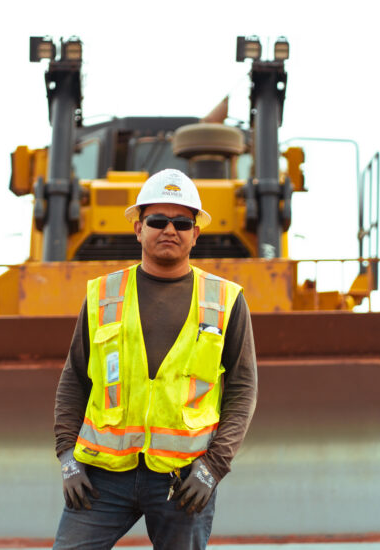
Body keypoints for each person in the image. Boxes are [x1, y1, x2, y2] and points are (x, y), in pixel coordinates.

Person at [52, 168, 258, 550]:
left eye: (182, 222)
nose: (169, 229)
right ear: (138, 228)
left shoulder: (226, 300)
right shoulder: (103, 295)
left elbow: (243, 391)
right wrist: (67, 455)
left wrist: (213, 468)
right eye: (157, 220)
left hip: (183, 480)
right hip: (102, 475)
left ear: (196, 233)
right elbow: (74, 379)